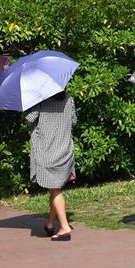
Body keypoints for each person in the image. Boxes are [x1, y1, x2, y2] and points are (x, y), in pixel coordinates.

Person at [26, 91, 78, 242]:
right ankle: (50, 224)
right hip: (65, 149)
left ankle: (64, 227)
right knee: (55, 188)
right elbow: (73, 121)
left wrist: (31, 102)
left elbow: (29, 120)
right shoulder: (69, 98)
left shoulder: (40, 100)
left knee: (54, 190)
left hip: (47, 151)